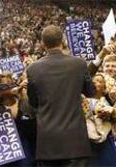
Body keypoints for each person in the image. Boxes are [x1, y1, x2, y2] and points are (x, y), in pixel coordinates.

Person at [26, 25, 95, 166]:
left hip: (48, 144)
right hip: (76, 143)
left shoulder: (33, 68)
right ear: (63, 40)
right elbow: (90, 92)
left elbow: (33, 103)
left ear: (42, 43)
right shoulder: (79, 64)